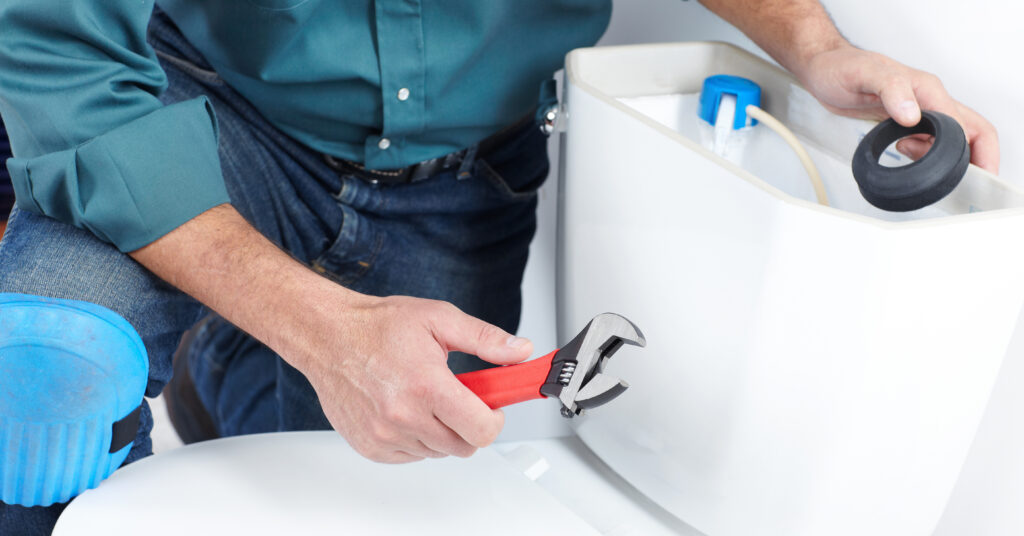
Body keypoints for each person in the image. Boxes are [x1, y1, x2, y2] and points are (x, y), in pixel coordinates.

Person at [0, 0, 998, 533]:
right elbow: (65, 69)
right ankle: (221, 345)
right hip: (212, 122)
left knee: (353, 481)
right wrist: (323, 330)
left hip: (462, 175)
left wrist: (812, 43)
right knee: (40, 378)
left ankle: (226, 370)